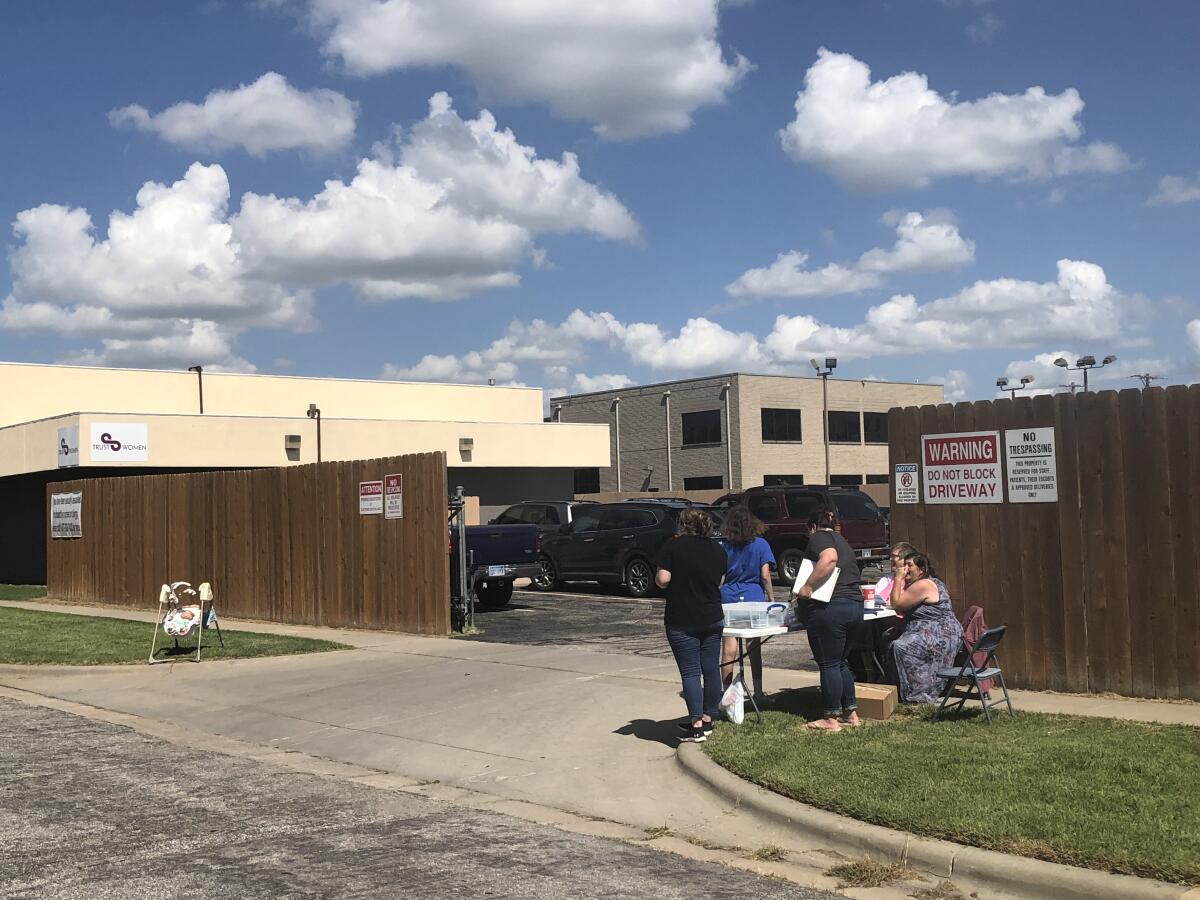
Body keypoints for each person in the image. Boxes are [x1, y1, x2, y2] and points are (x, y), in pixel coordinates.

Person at [655, 508, 728, 743]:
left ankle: (696, 725)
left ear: (683, 525)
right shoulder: (717, 549)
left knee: (690, 672)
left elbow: (663, 579)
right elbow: (720, 580)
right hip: (712, 615)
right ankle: (708, 718)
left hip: (682, 617)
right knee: (710, 668)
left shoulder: (672, 547)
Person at [792, 506, 863, 732]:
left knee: (829, 663)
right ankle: (851, 713)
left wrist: (808, 586)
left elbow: (829, 559)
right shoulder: (843, 541)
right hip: (855, 606)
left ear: (812, 527)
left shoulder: (819, 538)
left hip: (831, 608)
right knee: (841, 661)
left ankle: (831, 718)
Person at [886, 550, 964, 704]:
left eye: (910, 565)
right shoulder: (928, 581)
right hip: (933, 629)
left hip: (940, 633)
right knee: (887, 636)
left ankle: (917, 692)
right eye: (905, 565)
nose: (905, 569)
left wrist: (898, 578)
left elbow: (896, 605)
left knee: (900, 646)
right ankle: (895, 687)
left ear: (921, 569)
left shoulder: (923, 584)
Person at [719, 505, 775, 703]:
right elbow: (765, 575)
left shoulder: (725, 546)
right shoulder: (761, 544)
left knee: (728, 648)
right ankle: (758, 692)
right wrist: (771, 598)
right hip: (752, 596)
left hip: (729, 597)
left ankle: (727, 695)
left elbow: (721, 576)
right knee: (754, 646)